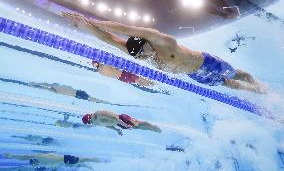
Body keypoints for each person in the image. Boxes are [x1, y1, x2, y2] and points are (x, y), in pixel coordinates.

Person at [62, 12, 265, 93]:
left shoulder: (162, 41)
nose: (144, 58)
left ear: (147, 43)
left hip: (207, 63)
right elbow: (110, 39)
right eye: (139, 56)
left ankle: (262, 86)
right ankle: (261, 94)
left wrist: (92, 22)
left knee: (240, 75)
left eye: (143, 53)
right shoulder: (139, 52)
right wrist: (87, 29)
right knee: (231, 86)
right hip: (195, 74)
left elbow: (122, 30)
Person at [81, 110, 162, 136]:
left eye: (90, 122)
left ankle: (154, 127)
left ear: (89, 118)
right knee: (138, 126)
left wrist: (126, 124)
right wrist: (117, 130)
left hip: (122, 119)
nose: (92, 123)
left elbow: (115, 117)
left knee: (138, 124)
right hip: (120, 124)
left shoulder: (99, 114)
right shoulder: (97, 122)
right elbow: (108, 125)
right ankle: (153, 128)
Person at [3, 153, 104, 170]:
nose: (35, 165)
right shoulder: (41, 163)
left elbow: (24, 157)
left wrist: (12, 156)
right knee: (82, 161)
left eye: (34, 163)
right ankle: (99, 161)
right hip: (65, 161)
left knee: (84, 160)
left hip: (66, 159)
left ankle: (101, 160)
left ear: (34, 161)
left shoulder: (39, 157)